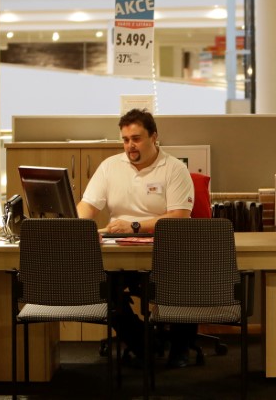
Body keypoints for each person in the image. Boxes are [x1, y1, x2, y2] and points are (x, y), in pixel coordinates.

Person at [77, 108, 197, 368]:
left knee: (187, 279)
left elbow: (179, 216)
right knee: (101, 285)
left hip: (168, 251)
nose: (130, 146)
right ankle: (142, 341)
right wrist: (74, 224)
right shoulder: (110, 167)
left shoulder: (175, 169)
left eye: (136, 138)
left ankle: (180, 347)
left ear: (154, 137)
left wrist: (134, 226)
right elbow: (87, 206)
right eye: (125, 139)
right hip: (119, 251)